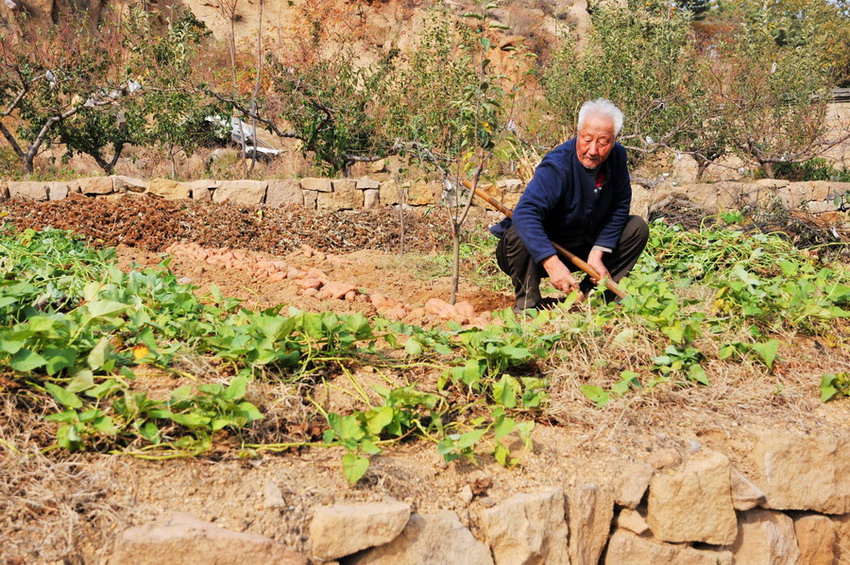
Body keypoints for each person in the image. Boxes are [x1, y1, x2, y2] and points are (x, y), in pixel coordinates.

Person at [492, 98, 649, 311]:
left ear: (614, 140)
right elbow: (526, 213)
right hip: (535, 254)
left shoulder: (617, 157)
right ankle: (528, 304)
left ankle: (591, 298)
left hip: (581, 244)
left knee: (636, 228)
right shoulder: (557, 166)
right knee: (520, 230)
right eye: (586, 139)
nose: (593, 150)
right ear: (578, 133)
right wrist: (551, 262)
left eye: (603, 142)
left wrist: (597, 252)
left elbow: (620, 205)